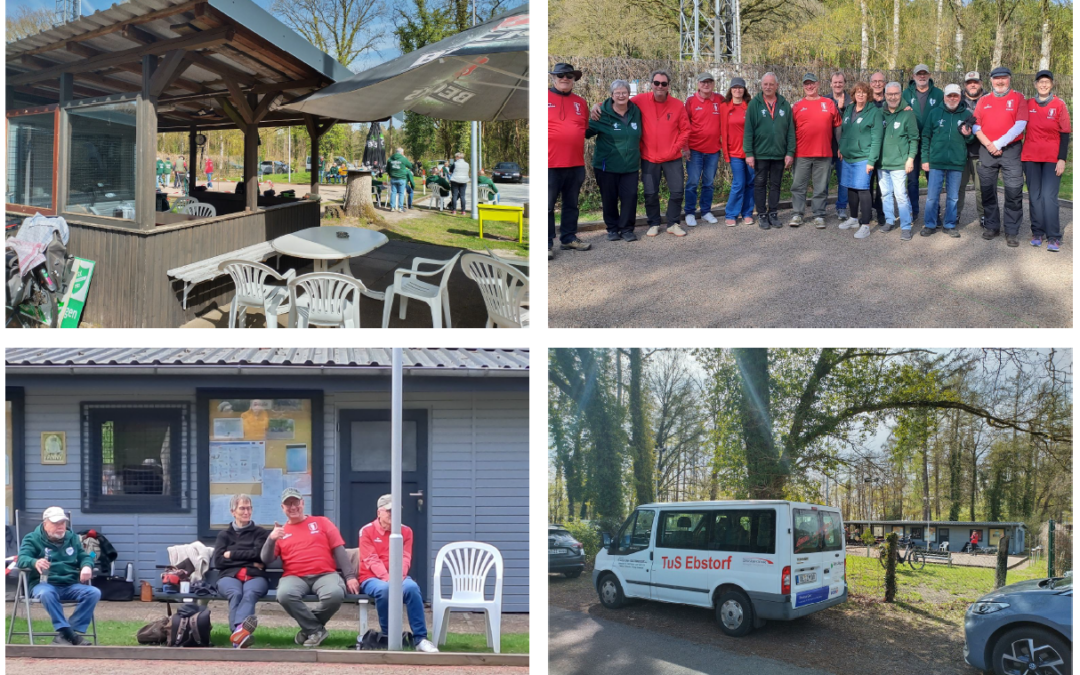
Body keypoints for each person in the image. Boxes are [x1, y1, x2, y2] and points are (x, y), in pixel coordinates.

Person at [260, 488, 357, 648]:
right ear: (282, 508)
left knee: (334, 594)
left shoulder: (321, 522)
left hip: (325, 574)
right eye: (288, 504)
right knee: (284, 595)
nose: (293, 507)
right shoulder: (281, 532)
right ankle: (316, 629)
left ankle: (309, 630)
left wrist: (350, 576)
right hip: (295, 576)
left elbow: (339, 549)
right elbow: (266, 559)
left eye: (296, 502)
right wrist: (271, 539)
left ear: (303, 503)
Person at [358, 494, 439, 653]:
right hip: (372, 578)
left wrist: (397, 578)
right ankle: (389, 636)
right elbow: (371, 559)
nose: (393, 515)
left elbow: (405, 557)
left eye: (396, 511)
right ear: (379, 512)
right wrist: (388, 579)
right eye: (389, 511)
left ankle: (420, 639)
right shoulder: (366, 531)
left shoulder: (406, 531)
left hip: (398, 576)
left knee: (412, 588)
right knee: (385, 590)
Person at [16, 507, 99, 646]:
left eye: (62, 523)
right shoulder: (32, 539)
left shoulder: (72, 538)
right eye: (55, 523)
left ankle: (65, 635)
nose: (60, 527)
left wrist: (86, 565)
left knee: (93, 592)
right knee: (47, 593)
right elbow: (21, 559)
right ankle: (71, 635)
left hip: (70, 584)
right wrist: (34, 561)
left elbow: (84, 556)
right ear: (45, 524)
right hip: (43, 584)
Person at [973, 66, 1028, 247]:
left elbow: (1020, 124)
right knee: (987, 190)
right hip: (987, 150)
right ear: (991, 81)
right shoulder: (983, 100)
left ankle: (1011, 231)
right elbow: (975, 125)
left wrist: (998, 144)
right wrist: (990, 144)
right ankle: (992, 226)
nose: (1000, 81)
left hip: (1010, 151)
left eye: (1004, 78)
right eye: (997, 79)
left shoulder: (1018, 98)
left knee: (1013, 191)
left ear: (1009, 79)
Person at [630, 70, 689, 237]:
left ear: (668, 86)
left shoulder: (677, 104)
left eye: (664, 83)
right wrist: (599, 105)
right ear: (651, 84)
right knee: (650, 193)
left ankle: (673, 223)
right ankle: (654, 222)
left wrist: (676, 147)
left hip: (672, 158)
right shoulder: (640, 100)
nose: (660, 86)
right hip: (649, 157)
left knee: (677, 192)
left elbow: (685, 130)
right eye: (657, 83)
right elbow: (619, 102)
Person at [586, 79, 643, 242]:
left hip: (630, 165)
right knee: (609, 198)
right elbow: (585, 132)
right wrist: (593, 108)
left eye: (624, 92)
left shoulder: (636, 111)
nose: (621, 95)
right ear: (611, 95)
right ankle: (612, 228)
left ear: (629, 94)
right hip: (606, 166)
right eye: (617, 93)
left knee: (630, 197)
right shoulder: (601, 114)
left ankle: (626, 229)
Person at [212, 493, 270, 649]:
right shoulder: (224, 535)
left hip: (255, 576)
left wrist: (231, 554)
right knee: (235, 593)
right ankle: (240, 632)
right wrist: (250, 559)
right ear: (233, 512)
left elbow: (260, 555)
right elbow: (218, 561)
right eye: (242, 508)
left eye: (249, 508)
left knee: (250, 593)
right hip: (228, 576)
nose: (246, 512)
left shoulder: (261, 533)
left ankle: (238, 634)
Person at [920, 84, 976, 238]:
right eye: (949, 96)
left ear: (960, 97)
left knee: (953, 196)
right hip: (936, 162)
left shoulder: (966, 114)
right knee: (932, 196)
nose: (952, 98)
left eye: (955, 96)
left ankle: (949, 225)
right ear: (944, 97)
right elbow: (925, 137)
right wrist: (925, 159)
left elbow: (971, 139)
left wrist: (968, 134)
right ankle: (930, 224)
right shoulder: (934, 113)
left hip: (957, 163)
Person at [1022, 70, 1070, 252]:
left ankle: (1054, 237)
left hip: (1052, 158)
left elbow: (1065, 133)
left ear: (1052, 85)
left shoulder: (1059, 105)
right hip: (1030, 157)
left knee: (1049, 198)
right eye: (1040, 81)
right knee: (1034, 196)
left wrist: (1062, 159)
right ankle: (1037, 233)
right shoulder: (1028, 104)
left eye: (1047, 82)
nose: (1043, 85)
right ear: (1035, 84)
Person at [548, 63, 592, 258]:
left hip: (575, 163)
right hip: (549, 164)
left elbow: (584, 128)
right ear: (553, 77)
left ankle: (568, 238)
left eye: (569, 76)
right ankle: (546, 244)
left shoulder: (581, 103)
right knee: (547, 206)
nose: (565, 78)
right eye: (561, 75)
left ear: (574, 80)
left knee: (571, 204)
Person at [744, 72, 795, 230]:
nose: (768, 87)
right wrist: (749, 154)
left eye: (771, 84)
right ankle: (761, 214)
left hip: (779, 153)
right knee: (759, 185)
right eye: (765, 84)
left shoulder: (785, 104)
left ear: (777, 86)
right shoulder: (754, 104)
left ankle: (773, 213)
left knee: (775, 185)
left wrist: (790, 152)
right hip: (760, 153)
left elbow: (790, 131)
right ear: (761, 85)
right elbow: (748, 131)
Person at [789, 73, 841, 229]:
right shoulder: (797, 106)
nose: (809, 86)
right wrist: (790, 152)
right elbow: (790, 131)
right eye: (806, 84)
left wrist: (840, 147)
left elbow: (838, 127)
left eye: (812, 83)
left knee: (820, 186)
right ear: (803, 86)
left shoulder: (829, 103)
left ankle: (819, 214)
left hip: (824, 152)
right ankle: (798, 214)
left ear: (818, 84)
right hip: (801, 153)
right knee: (798, 185)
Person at [837, 81, 883, 239]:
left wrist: (872, 160)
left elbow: (877, 139)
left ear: (868, 94)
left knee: (863, 189)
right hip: (848, 156)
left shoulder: (874, 112)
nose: (861, 94)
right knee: (851, 187)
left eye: (863, 92)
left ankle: (865, 224)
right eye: (858, 92)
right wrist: (841, 147)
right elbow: (844, 130)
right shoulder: (849, 109)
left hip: (864, 157)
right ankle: (854, 218)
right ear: (854, 94)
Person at [902, 65, 944, 222]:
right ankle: (914, 211)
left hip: (931, 144)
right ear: (913, 76)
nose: (921, 76)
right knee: (912, 180)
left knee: (932, 179)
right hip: (911, 143)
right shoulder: (906, 93)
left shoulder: (938, 94)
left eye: (924, 74)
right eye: (918, 74)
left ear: (929, 75)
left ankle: (935, 213)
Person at [878, 82, 920, 240]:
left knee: (901, 195)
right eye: (889, 94)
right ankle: (889, 220)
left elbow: (914, 139)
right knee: (885, 194)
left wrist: (910, 159)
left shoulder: (908, 114)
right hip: (882, 163)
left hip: (899, 163)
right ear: (885, 95)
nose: (892, 97)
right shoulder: (879, 112)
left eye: (895, 94)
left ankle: (906, 226)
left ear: (900, 94)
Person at [683, 73, 723, 227]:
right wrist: (685, 147)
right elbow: (684, 125)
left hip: (713, 150)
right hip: (694, 150)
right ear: (698, 84)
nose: (706, 85)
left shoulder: (719, 99)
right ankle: (690, 212)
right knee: (692, 182)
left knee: (709, 183)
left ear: (713, 84)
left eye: (709, 82)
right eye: (703, 82)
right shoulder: (691, 101)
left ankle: (706, 211)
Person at [719, 77, 754, 227]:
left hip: (750, 153)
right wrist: (725, 153)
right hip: (734, 153)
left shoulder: (751, 106)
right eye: (735, 87)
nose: (738, 90)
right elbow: (722, 130)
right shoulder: (724, 107)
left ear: (744, 90)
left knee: (750, 183)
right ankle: (731, 213)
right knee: (739, 183)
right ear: (731, 89)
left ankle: (747, 213)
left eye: (740, 87)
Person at [956, 72, 986, 227]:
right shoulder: (956, 99)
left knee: (981, 188)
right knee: (958, 187)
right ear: (965, 84)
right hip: (960, 151)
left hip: (981, 151)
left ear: (981, 83)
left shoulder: (988, 99)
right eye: (969, 82)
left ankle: (984, 216)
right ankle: (955, 215)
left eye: (975, 82)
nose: (972, 85)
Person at [825, 72, 851, 222]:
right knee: (824, 180)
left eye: (840, 82)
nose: (837, 85)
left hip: (843, 146)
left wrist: (841, 109)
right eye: (835, 82)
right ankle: (822, 208)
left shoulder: (851, 100)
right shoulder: (824, 100)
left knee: (843, 180)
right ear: (831, 84)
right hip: (827, 146)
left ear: (844, 83)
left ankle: (841, 207)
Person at [868, 70, 888, 225]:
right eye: (874, 81)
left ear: (885, 84)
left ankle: (881, 212)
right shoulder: (865, 103)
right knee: (867, 183)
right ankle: (867, 211)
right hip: (868, 150)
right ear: (870, 84)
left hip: (886, 150)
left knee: (882, 185)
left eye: (880, 81)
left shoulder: (890, 102)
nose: (877, 84)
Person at [386, 147, 414, 213]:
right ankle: (400, 208)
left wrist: (391, 174)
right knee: (401, 193)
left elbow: (387, 169)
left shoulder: (390, 158)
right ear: (402, 152)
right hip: (401, 178)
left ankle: (392, 207)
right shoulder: (403, 158)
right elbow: (410, 166)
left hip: (393, 178)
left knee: (393, 192)